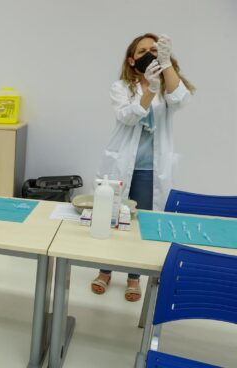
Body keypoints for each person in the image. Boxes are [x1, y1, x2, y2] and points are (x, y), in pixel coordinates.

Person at [92, 33, 194, 301]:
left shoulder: (167, 84)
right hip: (121, 166)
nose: (148, 54)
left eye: (154, 50)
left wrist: (166, 65)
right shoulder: (121, 87)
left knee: (141, 224)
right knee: (113, 219)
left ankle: (133, 277)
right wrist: (148, 89)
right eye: (142, 51)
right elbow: (127, 117)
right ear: (131, 59)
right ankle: (105, 270)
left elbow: (181, 100)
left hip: (152, 171)